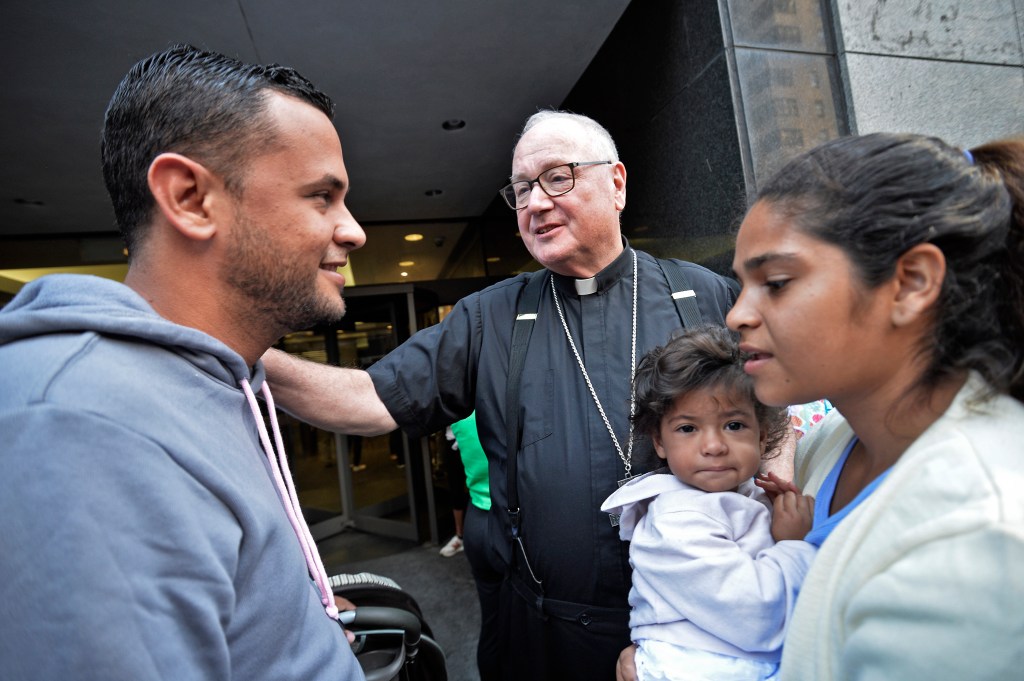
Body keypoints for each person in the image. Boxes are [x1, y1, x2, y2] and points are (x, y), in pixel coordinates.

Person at [262, 110, 738, 680]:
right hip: (544, 635)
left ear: (616, 184)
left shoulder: (701, 294)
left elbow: (782, 416)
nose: (535, 203)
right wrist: (249, 354)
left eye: (557, 177)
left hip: (697, 629)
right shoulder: (489, 316)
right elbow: (370, 399)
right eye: (520, 190)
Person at [0, 45, 367, 680]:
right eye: (321, 197)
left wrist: (296, 621)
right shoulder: (81, 423)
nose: (353, 229)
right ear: (191, 198)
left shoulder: (210, 381)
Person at [619, 132, 1024, 680]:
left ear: (911, 282)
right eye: (742, 285)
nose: (738, 314)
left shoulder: (976, 538)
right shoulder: (838, 439)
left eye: (777, 282)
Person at [601, 325, 815, 681]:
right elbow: (757, 615)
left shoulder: (743, 496)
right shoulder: (676, 520)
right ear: (659, 442)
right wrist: (793, 545)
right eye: (688, 428)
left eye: (733, 425)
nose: (713, 445)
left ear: (763, 437)